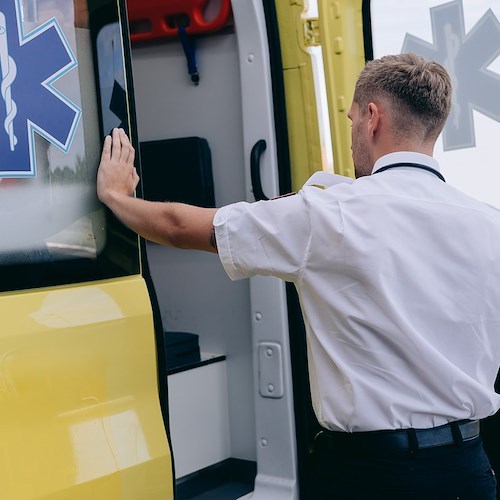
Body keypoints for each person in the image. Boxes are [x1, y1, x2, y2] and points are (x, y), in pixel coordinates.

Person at [97, 53, 500, 499]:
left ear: (372, 118)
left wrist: (116, 196)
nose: (351, 138)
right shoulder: (490, 223)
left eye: (350, 122)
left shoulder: (331, 214)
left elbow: (180, 226)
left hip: (371, 475)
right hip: (468, 469)